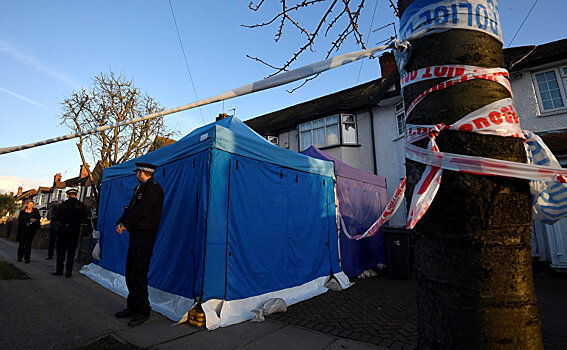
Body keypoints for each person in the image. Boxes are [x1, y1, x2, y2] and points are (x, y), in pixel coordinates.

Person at [114, 162, 164, 327]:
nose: (136, 174)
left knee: (139, 271)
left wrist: (126, 223)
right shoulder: (141, 188)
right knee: (131, 270)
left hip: (145, 235)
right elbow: (131, 208)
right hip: (137, 234)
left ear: (142, 172)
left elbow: (142, 210)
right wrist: (121, 221)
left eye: (138, 172)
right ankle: (133, 306)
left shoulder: (153, 189)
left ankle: (143, 310)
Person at [52, 189, 89, 278]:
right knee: (71, 251)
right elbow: (85, 218)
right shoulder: (81, 206)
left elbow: (55, 218)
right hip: (74, 230)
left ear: (68, 195)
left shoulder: (63, 206)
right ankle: (69, 271)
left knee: (61, 250)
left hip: (63, 230)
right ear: (76, 195)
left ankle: (59, 269)